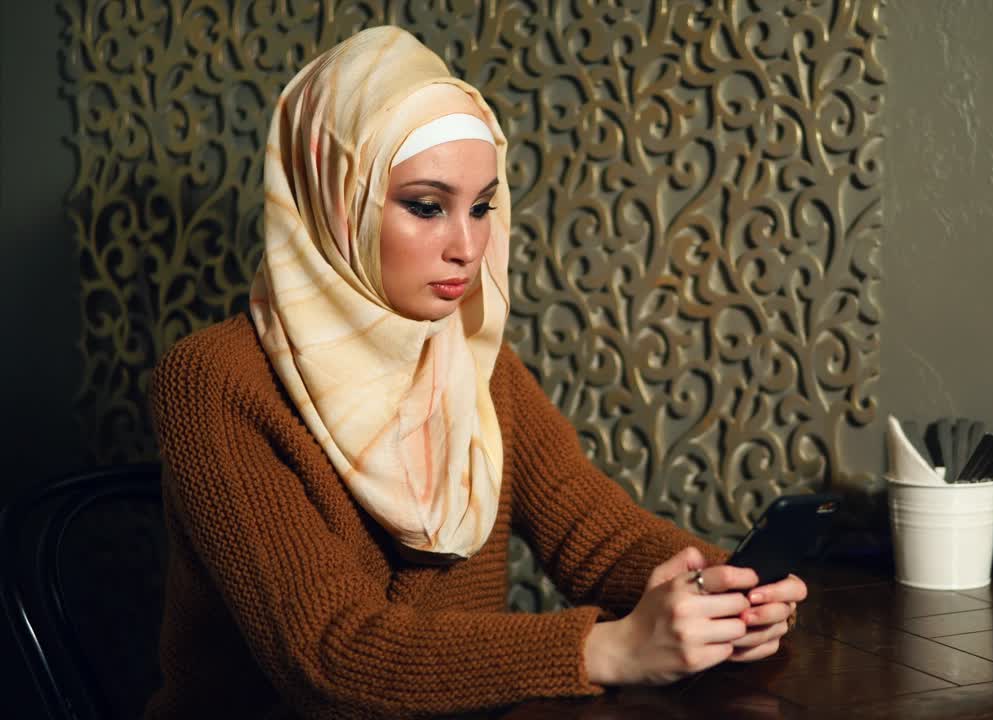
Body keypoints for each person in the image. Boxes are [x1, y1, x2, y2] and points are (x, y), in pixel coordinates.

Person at [145, 26, 806, 718]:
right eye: (426, 207)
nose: (468, 246)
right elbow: (330, 658)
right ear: (337, 203)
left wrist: (722, 590)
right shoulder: (214, 379)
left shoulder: (475, 362)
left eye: (483, 206)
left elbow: (598, 536)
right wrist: (604, 650)